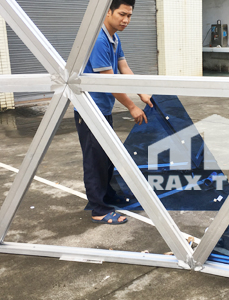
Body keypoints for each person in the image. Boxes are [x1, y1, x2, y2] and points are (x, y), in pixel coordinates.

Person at [78, 0, 153, 225]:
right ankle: (98, 209)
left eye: (129, 16)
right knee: (95, 160)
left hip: (102, 109)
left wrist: (142, 93)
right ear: (107, 11)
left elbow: (124, 68)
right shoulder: (99, 40)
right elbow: (110, 82)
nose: (126, 20)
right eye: (122, 14)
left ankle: (108, 196)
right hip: (90, 110)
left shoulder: (114, 37)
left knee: (107, 157)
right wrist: (131, 106)